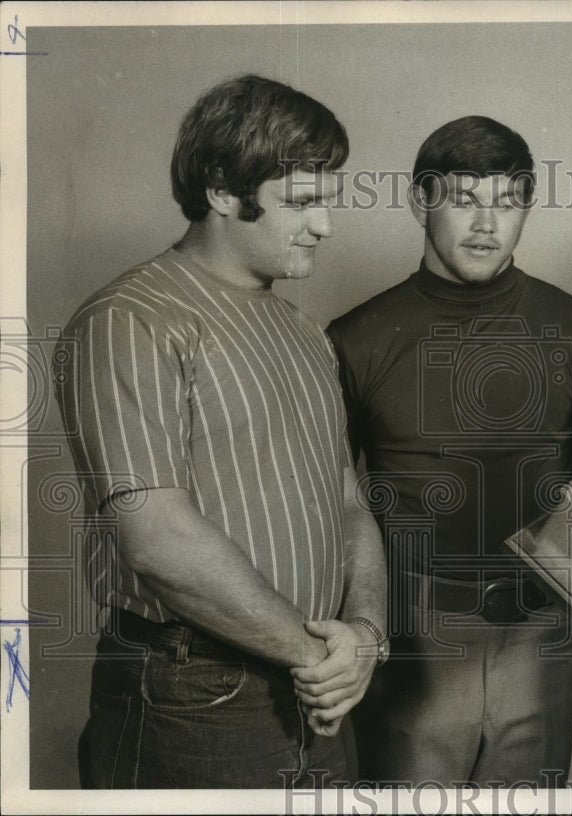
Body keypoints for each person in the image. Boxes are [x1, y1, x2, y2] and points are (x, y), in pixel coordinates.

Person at [54, 74, 386, 789]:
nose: (325, 226)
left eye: (327, 201)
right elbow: (159, 540)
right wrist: (314, 653)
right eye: (301, 203)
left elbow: (348, 502)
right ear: (220, 191)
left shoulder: (304, 332)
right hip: (192, 696)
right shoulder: (130, 320)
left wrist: (362, 638)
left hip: (320, 690)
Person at [327, 115, 572, 786]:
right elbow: (335, 507)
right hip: (413, 640)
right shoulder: (355, 340)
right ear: (420, 201)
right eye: (464, 199)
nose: (487, 222)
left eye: (509, 199)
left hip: (541, 634)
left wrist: (559, 609)